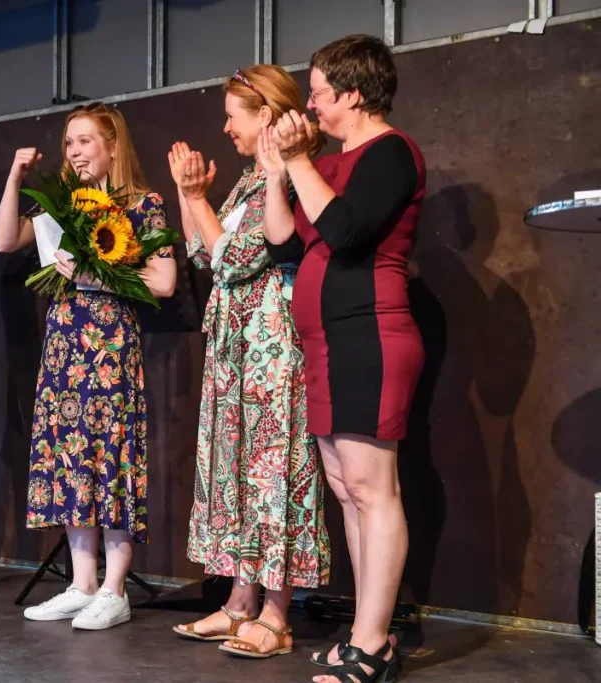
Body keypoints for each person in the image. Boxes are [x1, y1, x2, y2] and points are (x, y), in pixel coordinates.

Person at [264, 34, 426, 683]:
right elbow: (283, 243)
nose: (310, 104)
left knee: (372, 487)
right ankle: (368, 631)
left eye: (319, 92)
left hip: (372, 337)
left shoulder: (392, 152)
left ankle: (372, 642)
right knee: (346, 488)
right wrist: (280, 166)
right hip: (327, 344)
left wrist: (301, 159)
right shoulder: (323, 166)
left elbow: (348, 232)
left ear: (353, 94)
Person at [168, 65, 330, 659]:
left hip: (271, 347)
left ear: (265, 115)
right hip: (233, 348)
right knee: (236, 472)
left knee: (272, 470)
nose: (225, 126)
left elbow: (234, 257)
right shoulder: (244, 182)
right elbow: (202, 255)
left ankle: (279, 613)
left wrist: (192, 198)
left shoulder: (282, 179)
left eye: (234, 114)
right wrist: (194, 200)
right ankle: (240, 603)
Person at [0, 103, 176, 630]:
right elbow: (7, 240)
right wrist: (15, 176)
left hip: (109, 351)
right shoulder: (62, 206)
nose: (74, 152)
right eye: (69, 143)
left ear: (112, 146)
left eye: (85, 141)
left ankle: (115, 590)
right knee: (70, 461)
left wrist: (102, 270)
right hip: (63, 352)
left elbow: (163, 282)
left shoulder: (144, 204)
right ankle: (82, 583)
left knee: (109, 460)